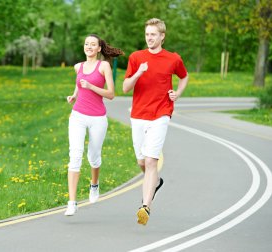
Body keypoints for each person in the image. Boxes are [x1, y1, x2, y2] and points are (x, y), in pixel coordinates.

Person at [123, 18, 189, 225]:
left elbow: (184, 76)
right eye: (147, 34)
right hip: (138, 115)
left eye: (153, 34)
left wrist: (177, 93)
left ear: (162, 36)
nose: (149, 38)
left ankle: (146, 207)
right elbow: (125, 88)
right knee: (142, 162)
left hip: (161, 113)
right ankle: (156, 182)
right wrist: (139, 73)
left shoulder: (173, 59)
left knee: (152, 161)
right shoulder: (136, 57)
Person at [64, 34, 124, 216]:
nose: (89, 46)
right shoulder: (78, 67)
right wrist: (74, 95)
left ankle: (94, 184)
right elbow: (79, 84)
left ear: (99, 49)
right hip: (78, 116)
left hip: (98, 117)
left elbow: (111, 94)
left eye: (93, 44)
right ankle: (72, 202)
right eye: (86, 44)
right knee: (75, 155)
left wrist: (90, 87)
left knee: (94, 156)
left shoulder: (104, 66)